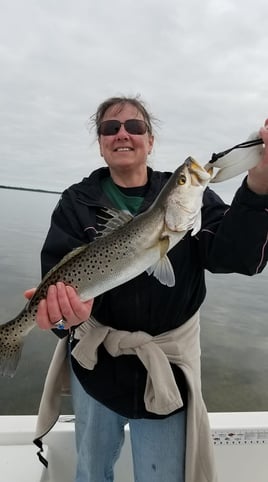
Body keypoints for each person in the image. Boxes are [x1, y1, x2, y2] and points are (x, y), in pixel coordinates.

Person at [26, 96, 268, 482]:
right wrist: (61, 317)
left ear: (150, 141)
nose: (123, 134)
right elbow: (55, 295)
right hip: (95, 362)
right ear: (102, 141)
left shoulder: (192, 202)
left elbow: (237, 257)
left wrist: (258, 186)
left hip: (166, 368)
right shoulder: (77, 202)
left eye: (135, 127)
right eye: (110, 128)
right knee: (90, 472)